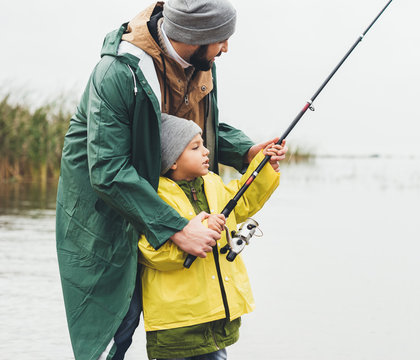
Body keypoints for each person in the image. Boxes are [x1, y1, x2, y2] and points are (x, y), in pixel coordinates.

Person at [56, 1, 287, 359]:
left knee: (191, 334)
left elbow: (193, 133)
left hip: (171, 212)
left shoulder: (201, 64)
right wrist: (178, 228)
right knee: (114, 330)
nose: (226, 48)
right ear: (194, 37)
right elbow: (107, 169)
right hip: (108, 220)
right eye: (221, 39)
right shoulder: (117, 73)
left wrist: (247, 152)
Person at [138, 114, 282, 359]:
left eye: (203, 144)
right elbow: (151, 251)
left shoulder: (212, 183)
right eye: (195, 147)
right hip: (176, 326)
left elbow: (242, 200)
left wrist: (264, 168)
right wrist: (197, 236)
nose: (206, 152)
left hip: (213, 319)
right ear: (172, 161)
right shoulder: (156, 197)